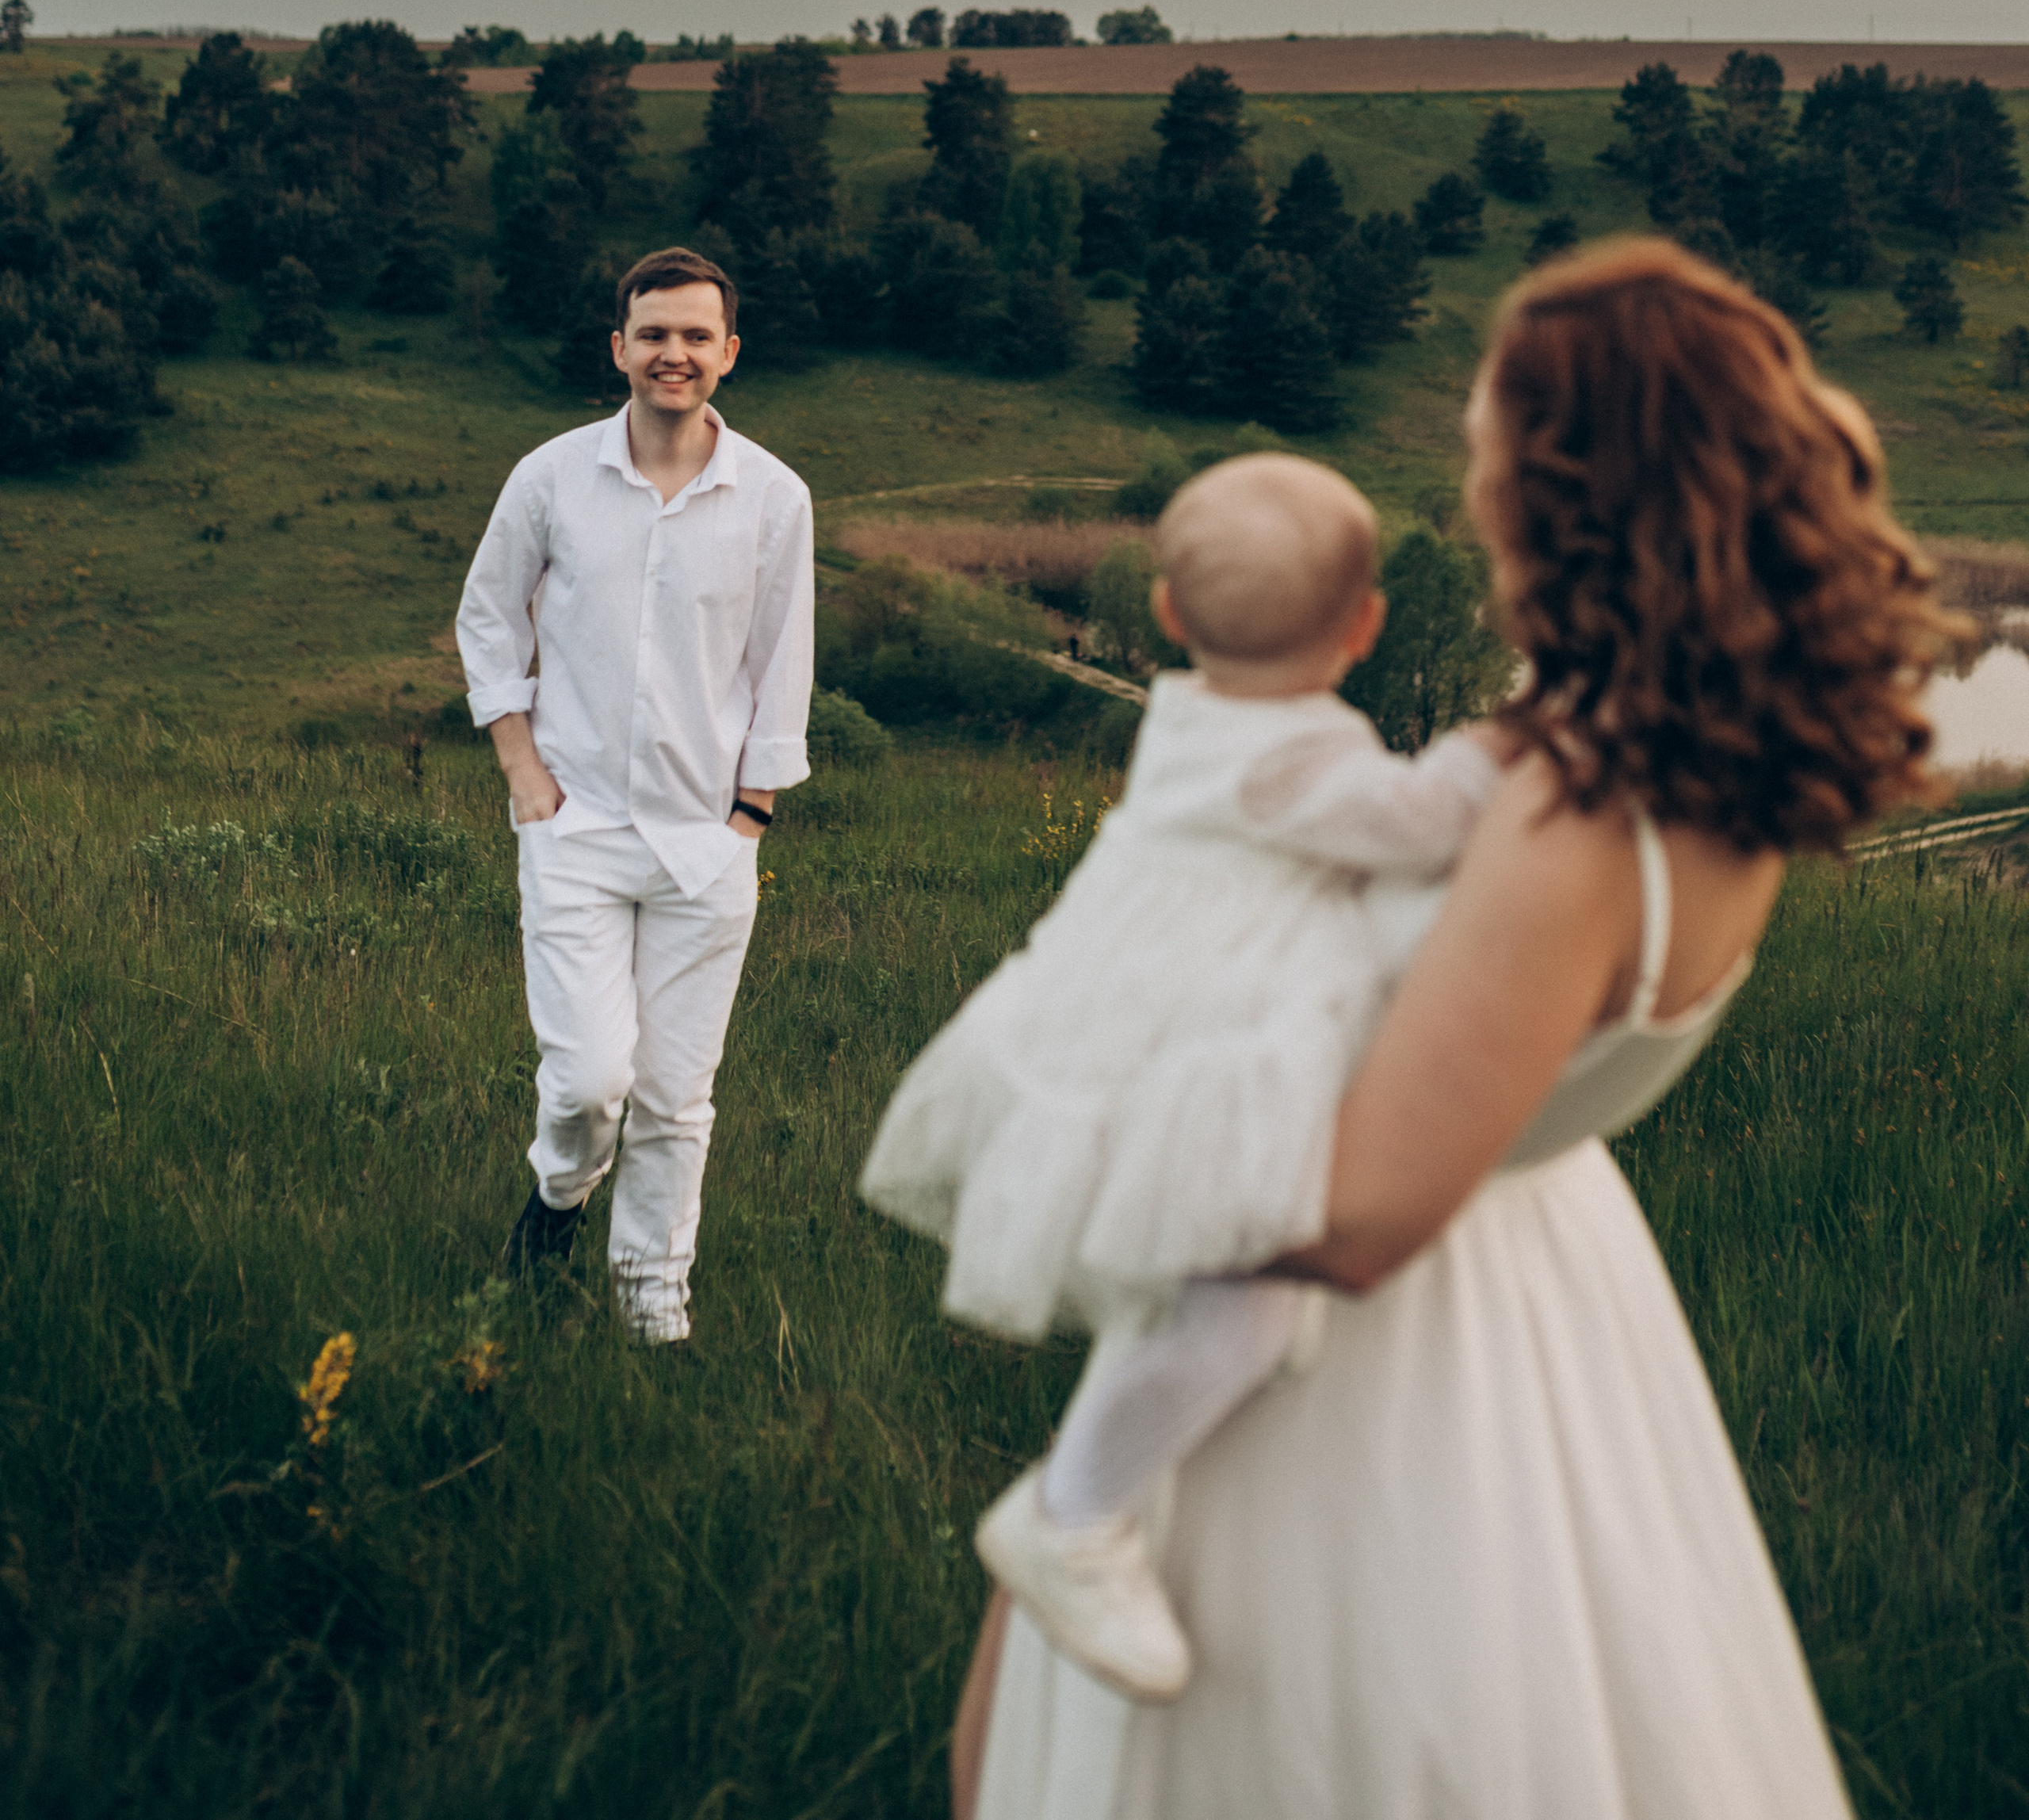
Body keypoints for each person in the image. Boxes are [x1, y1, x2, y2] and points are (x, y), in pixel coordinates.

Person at [956, 239, 1958, 1820]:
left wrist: (1100, 1163)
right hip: (1560, 1303)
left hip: (1382, 1375)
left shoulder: (1574, 810)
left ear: (1562, 485)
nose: (1470, 465)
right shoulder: (1683, 758)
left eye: (1487, 434)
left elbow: (1360, 1218)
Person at [862, 453, 1500, 1701]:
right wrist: (1497, 755)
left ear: (1163, 615)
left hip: (1142, 1017)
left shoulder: (1191, 712)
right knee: (1241, 1299)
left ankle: (1124, 1462)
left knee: (1215, 1277)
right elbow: (1423, 824)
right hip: (1207, 1044)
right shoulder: (1287, 758)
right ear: (1368, 625)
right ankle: (1074, 1512)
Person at [457, 244, 812, 1345]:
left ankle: (652, 1300)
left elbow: (781, 657)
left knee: (673, 1094)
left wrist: (750, 815)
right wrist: (523, 769)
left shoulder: (773, 495)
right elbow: (487, 618)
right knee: (590, 1080)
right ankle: (559, 1199)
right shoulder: (552, 475)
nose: (675, 352)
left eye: (696, 335)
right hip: (574, 828)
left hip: (707, 841)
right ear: (619, 346)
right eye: (654, 332)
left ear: (729, 354)